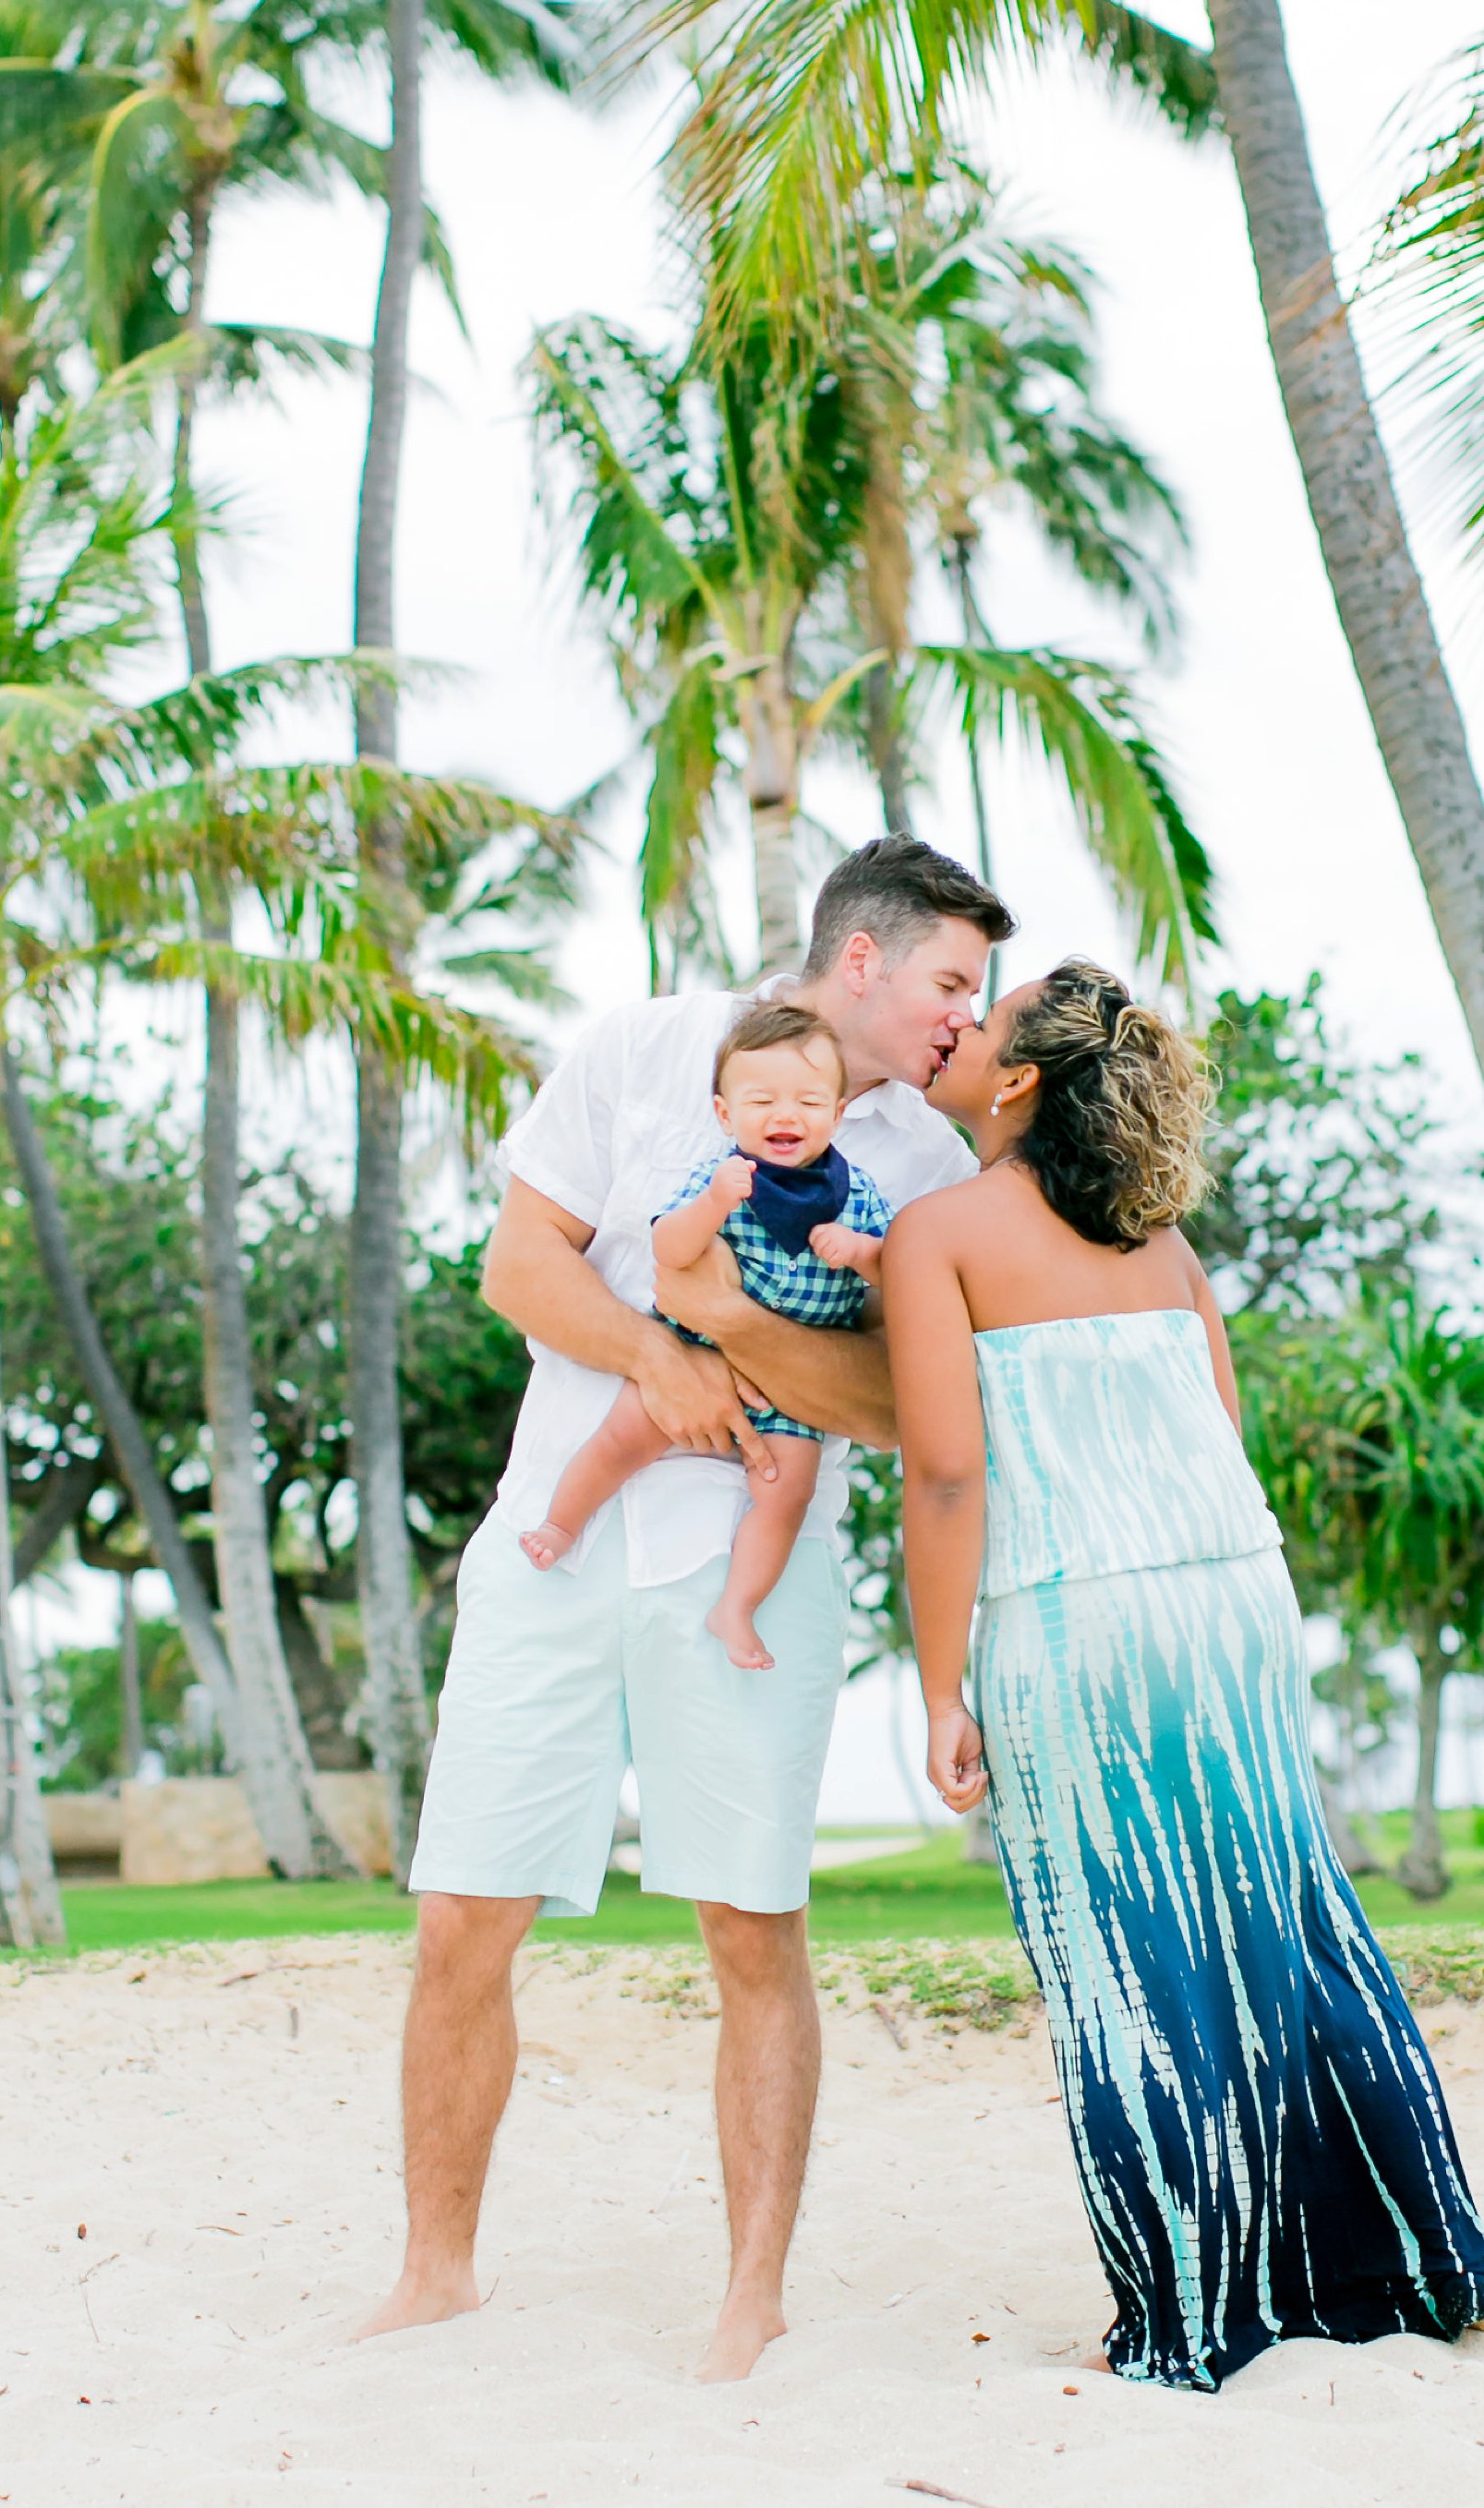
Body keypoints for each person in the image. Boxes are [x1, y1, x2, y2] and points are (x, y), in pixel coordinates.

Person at [356, 838, 1010, 2381]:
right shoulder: (643, 1045)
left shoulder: (923, 1161)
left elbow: (908, 1410)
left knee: (748, 1923)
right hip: (552, 1542)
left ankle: (749, 2301)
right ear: (859, 959)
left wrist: (718, 1318)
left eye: (973, 995)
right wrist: (658, 1362)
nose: (956, 1019)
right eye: (945, 982)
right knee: (462, 1911)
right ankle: (434, 2270)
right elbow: (522, 1264)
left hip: (751, 1584)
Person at [884, 959, 1484, 2393]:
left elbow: (947, 1473)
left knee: (1131, 1965)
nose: (960, 1033)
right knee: (1284, 1936)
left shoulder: (942, 1233)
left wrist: (935, 1687)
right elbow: (1218, 1428)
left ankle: (1197, 2309)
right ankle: (1392, 2265)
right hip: (1233, 1592)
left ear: (1020, 1081)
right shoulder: (1163, 1246)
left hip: (1082, 1614)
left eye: (985, 1021)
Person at [518, 1003, 891, 1673]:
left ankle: (737, 1608)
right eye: (763, 1100)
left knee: (787, 1493)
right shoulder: (723, 1176)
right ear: (726, 1115)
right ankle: (560, 1522)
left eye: (809, 1101)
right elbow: (670, 1244)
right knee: (624, 1435)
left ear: (837, 1116)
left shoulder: (857, 1196)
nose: (786, 1115)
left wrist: (861, 1252)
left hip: (791, 1385)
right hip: (694, 1351)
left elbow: (894, 1272)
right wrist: (715, 1203)